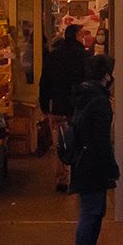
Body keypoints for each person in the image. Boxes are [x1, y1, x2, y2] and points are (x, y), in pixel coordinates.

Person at [67, 54, 118, 245]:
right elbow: (101, 139)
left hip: (82, 160)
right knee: (91, 213)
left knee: (92, 211)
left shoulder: (84, 95)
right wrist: (111, 166)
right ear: (106, 75)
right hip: (93, 164)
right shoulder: (99, 101)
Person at [39, 25, 90, 191]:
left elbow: (44, 82)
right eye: (82, 34)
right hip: (78, 108)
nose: (84, 37)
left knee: (61, 144)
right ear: (75, 35)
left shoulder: (53, 56)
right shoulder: (83, 56)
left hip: (58, 108)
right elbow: (88, 82)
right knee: (80, 142)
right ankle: (77, 178)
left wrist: (44, 104)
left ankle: (61, 180)